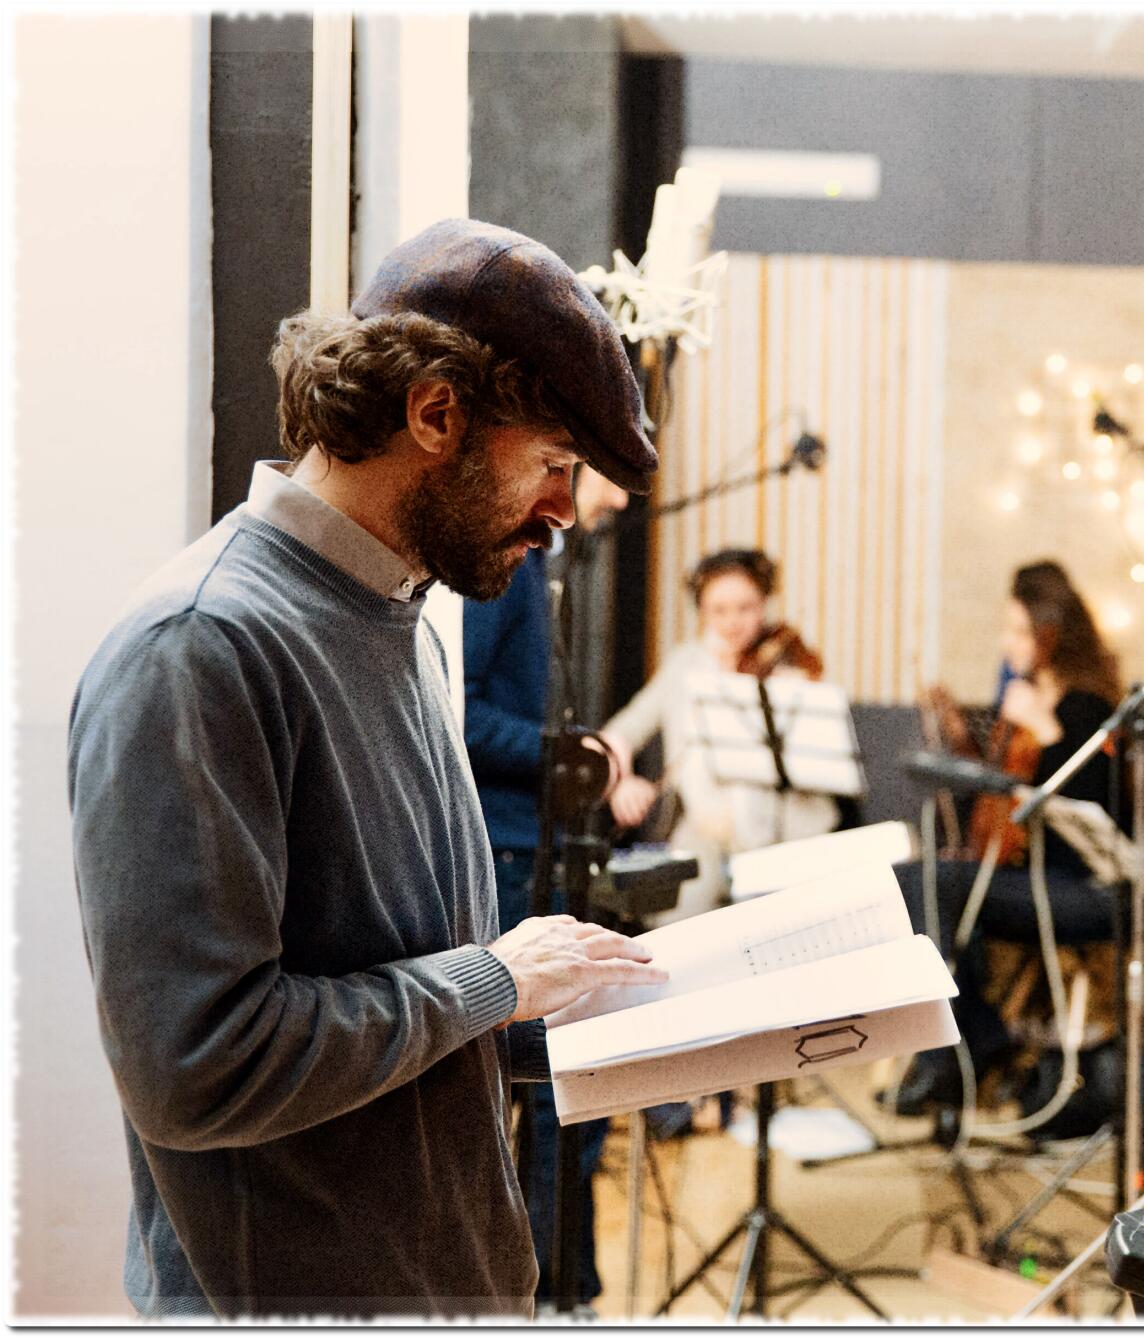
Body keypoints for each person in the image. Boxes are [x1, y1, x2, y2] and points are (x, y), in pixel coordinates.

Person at [67, 219, 673, 1317]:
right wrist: (495, 978)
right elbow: (198, 1065)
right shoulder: (200, 647)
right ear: (434, 413)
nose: (559, 512)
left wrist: (610, 1017)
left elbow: (404, 1006)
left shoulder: (401, 622)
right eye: (550, 464)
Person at [460, 463, 630, 1310]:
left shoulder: (548, 564)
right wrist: (567, 752)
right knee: (544, 1089)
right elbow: (462, 711)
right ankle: (543, 1292)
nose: (617, 500)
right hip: (505, 848)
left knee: (577, 1090)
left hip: (536, 842)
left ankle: (567, 1286)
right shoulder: (501, 567)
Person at [892, 561, 1122, 1114]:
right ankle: (975, 1036)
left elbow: (1099, 804)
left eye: (1018, 631)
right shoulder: (1025, 698)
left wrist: (1048, 731)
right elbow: (1004, 798)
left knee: (929, 884)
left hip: (1079, 888)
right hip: (1027, 879)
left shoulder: (1086, 705)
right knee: (926, 887)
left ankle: (952, 1049)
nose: (1007, 643)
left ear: (1052, 636)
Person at [599, 548, 838, 923]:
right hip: (705, 826)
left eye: (746, 608)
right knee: (675, 924)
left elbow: (821, 759)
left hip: (784, 828)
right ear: (703, 611)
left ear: (764, 604)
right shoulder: (686, 665)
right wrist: (623, 783)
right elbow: (622, 731)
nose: (732, 623)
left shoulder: (788, 660)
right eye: (718, 610)